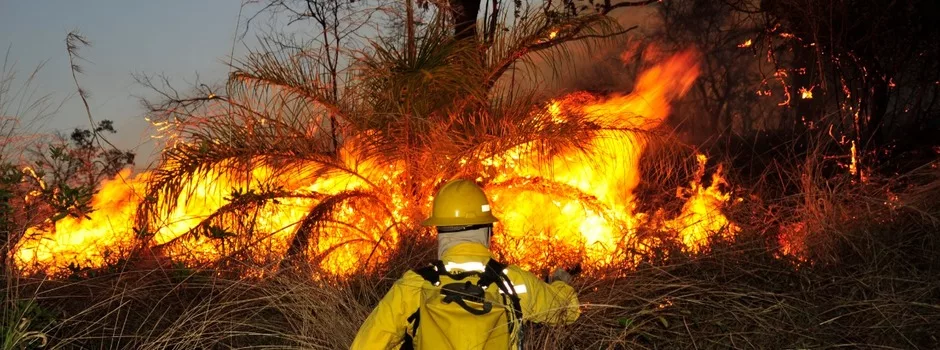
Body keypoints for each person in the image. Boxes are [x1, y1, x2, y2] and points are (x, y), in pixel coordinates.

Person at [351, 179, 580, 349]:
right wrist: (560, 283)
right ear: (488, 232)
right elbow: (568, 311)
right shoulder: (513, 283)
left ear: (439, 232)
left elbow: (365, 345)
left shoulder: (413, 286)